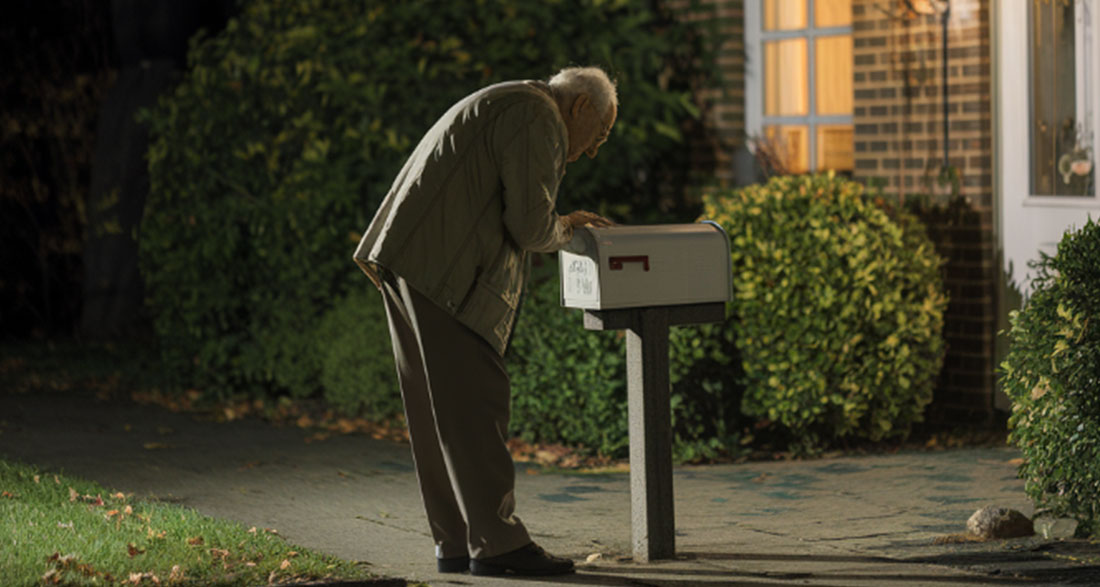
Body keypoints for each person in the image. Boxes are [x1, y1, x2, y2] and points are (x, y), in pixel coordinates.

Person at [352, 66, 618, 576]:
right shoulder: (537, 114)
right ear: (580, 106)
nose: (593, 150)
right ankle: (497, 544)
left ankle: (456, 542)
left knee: (438, 413)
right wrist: (567, 226)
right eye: (599, 134)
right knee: (477, 402)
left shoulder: (510, 100)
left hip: (411, 260)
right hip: (444, 272)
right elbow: (530, 224)